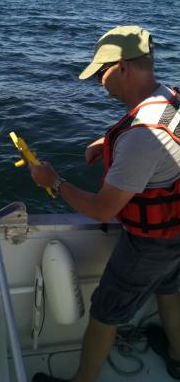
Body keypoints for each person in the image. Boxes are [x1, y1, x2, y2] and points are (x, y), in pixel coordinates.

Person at [29, 25, 180, 382]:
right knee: (170, 290)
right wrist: (107, 140)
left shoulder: (142, 138)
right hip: (175, 234)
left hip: (148, 246)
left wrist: (54, 181)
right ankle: (177, 357)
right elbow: (153, 131)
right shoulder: (171, 98)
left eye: (102, 72)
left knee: (105, 312)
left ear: (124, 67)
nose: (99, 82)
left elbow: (102, 209)